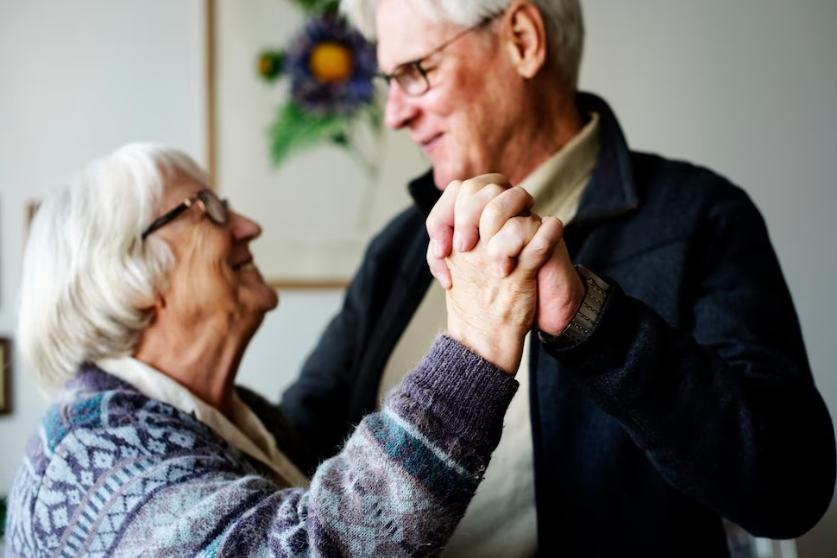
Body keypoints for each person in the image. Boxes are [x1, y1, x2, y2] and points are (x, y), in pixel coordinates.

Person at [281, 1, 837, 556]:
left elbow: (789, 488)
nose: (393, 114)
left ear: (522, 39)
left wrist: (594, 323)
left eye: (415, 72)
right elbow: (292, 446)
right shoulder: (400, 248)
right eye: (389, 80)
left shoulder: (701, 217)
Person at [4, 143, 564, 557]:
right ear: (128, 279)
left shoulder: (237, 420)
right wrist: (476, 343)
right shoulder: (88, 456)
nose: (248, 226)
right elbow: (308, 546)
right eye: (206, 208)